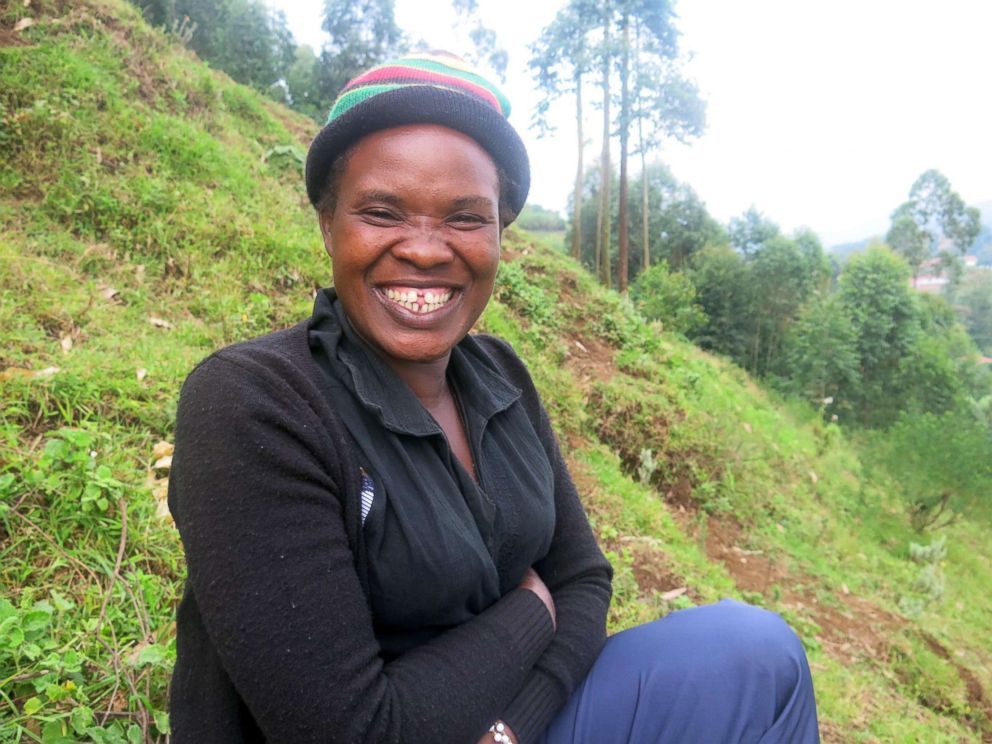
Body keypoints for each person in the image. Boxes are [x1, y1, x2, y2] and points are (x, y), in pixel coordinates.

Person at [167, 52, 820, 743]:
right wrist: (529, 614)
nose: (424, 250)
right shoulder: (255, 404)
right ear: (329, 224)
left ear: (502, 234)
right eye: (382, 211)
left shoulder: (498, 374)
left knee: (758, 654)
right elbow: (352, 730)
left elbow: (584, 579)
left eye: (466, 218)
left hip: (505, 724)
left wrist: (510, 727)